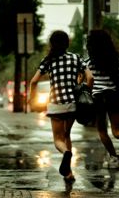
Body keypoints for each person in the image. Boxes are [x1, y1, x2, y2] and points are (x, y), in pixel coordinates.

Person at [29, 30, 93, 183]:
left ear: (51, 44)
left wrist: (31, 99)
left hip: (56, 104)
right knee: (66, 136)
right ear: (67, 43)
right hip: (71, 103)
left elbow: (33, 82)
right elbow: (90, 78)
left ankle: (65, 153)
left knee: (58, 139)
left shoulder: (48, 60)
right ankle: (68, 173)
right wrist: (84, 90)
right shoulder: (76, 58)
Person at [85, 29, 119, 169]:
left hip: (98, 99)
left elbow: (87, 79)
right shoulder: (115, 61)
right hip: (113, 96)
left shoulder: (88, 63)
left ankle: (114, 157)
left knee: (102, 131)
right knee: (117, 130)